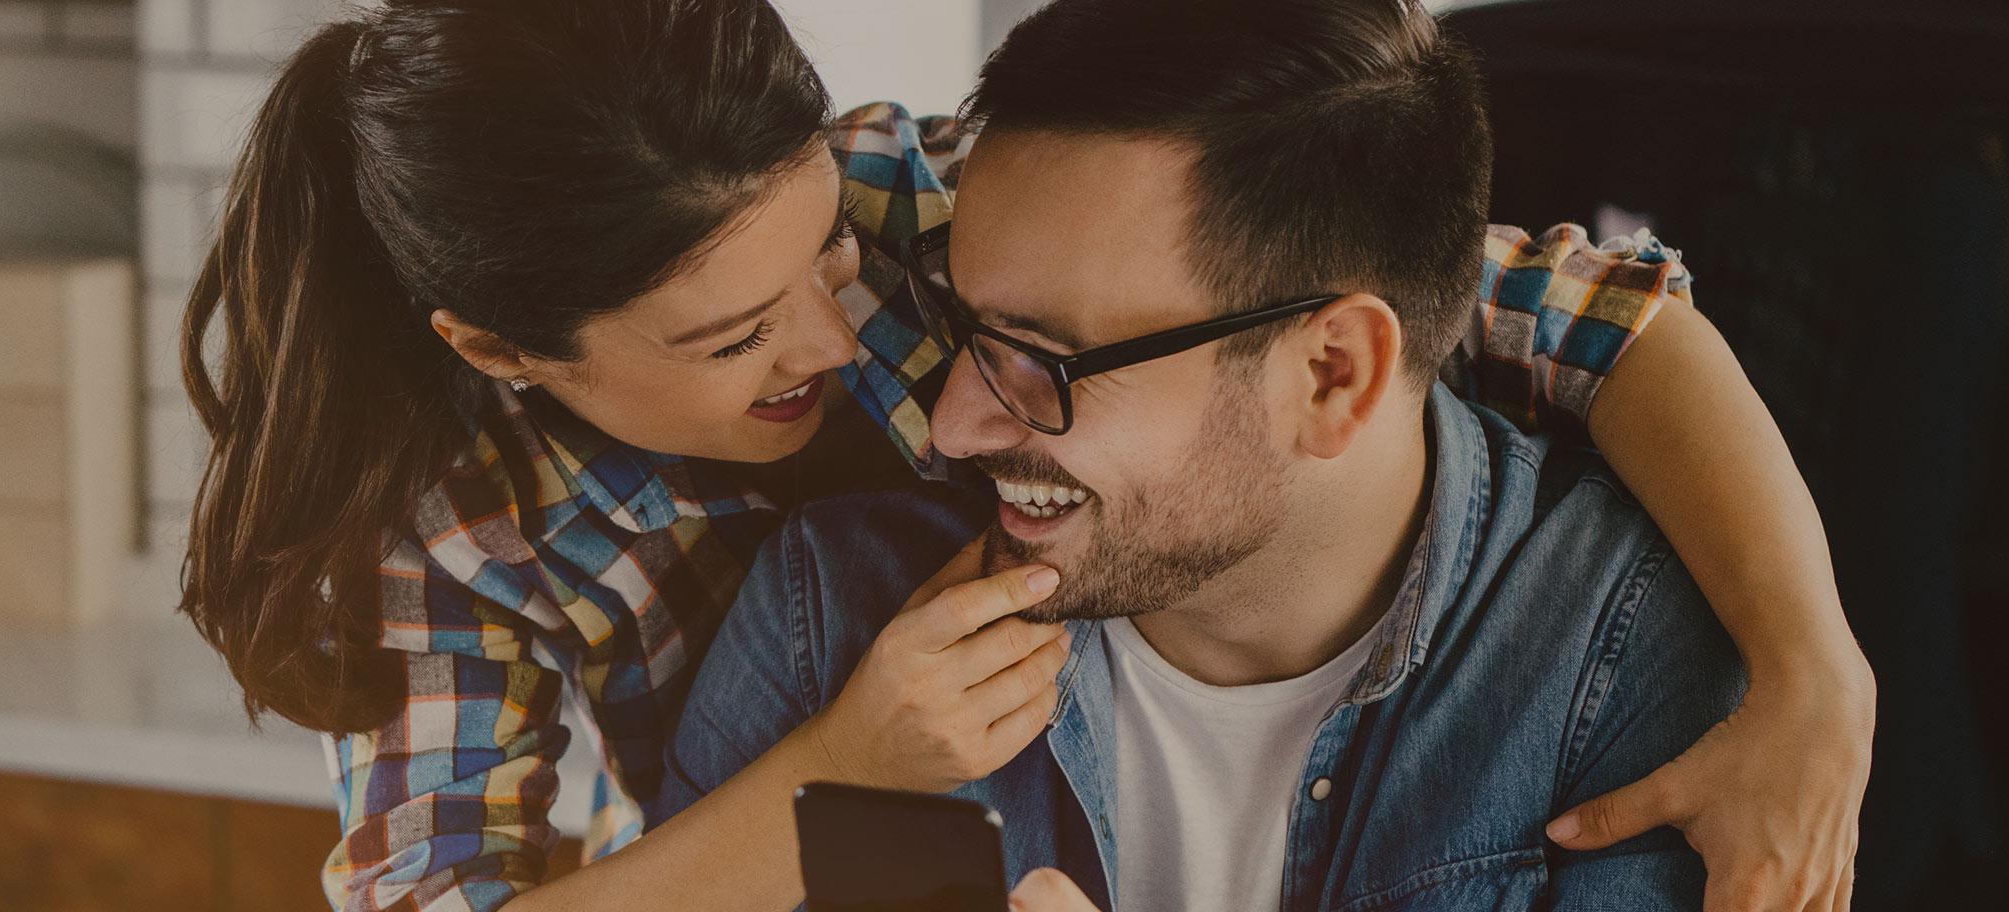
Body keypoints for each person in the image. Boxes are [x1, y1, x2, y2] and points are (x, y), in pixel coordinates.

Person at [174, 2, 1870, 910]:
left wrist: (1815, 667)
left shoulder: (930, 197)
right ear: (502, 350)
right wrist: (839, 766)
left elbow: (1555, 306)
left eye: (829, 259)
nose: (848, 347)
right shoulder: (454, 534)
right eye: (734, 338)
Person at [656, 1, 1838, 910]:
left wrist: (1816, 671)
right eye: (967, 328)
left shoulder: (1618, 665)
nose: (950, 427)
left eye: (1045, 362)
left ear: (1329, 377)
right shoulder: (835, 613)